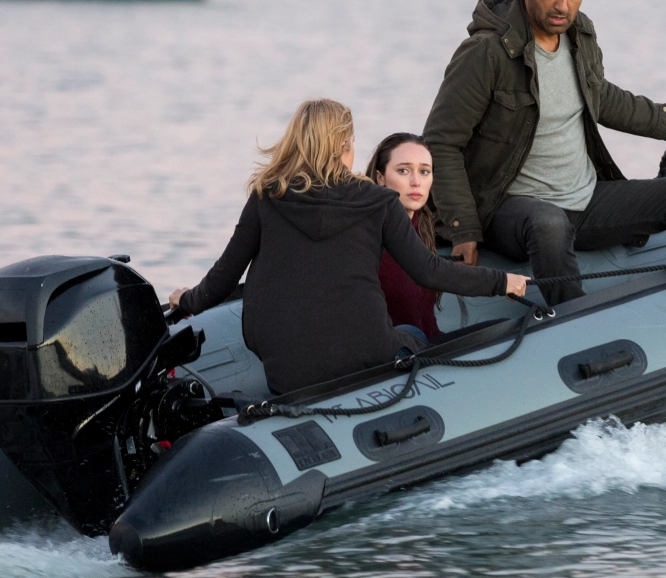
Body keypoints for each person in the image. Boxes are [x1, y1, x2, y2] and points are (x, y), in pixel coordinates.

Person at [423, 0, 666, 305]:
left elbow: (599, 95)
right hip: (510, 209)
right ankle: (573, 321)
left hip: (585, 199)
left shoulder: (580, 34)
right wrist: (463, 230)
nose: (562, 6)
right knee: (549, 223)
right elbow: (441, 142)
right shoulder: (485, 53)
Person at [169, 99, 528, 394]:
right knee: (416, 336)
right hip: (368, 359)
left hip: (289, 377)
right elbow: (428, 271)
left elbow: (221, 280)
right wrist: (502, 282)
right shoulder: (379, 202)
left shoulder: (266, 198)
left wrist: (186, 300)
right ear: (344, 147)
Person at [369, 132, 448, 341]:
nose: (416, 182)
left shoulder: (423, 227)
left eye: (424, 171)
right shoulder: (368, 238)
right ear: (380, 178)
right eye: (403, 171)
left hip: (431, 345)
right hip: (396, 359)